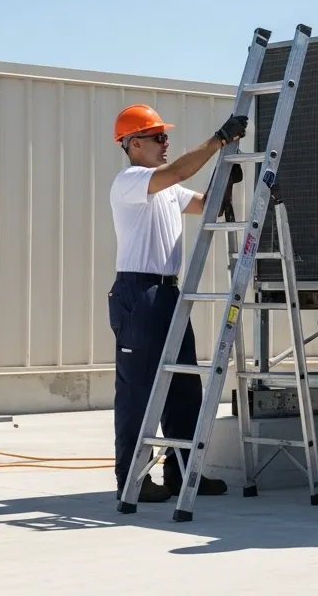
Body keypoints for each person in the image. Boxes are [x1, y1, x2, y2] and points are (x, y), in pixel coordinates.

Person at [109, 104, 246, 504]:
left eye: (165, 137)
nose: (165, 143)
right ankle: (131, 479)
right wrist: (218, 140)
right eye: (158, 137)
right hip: (139, 294)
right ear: (134, 144)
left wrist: (225, 180)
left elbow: (204, 204)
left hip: (168, 293)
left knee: (184, 386)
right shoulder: (131, 181)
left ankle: (183, 473)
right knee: (138, 390)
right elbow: (179, 172)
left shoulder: (166, 189)